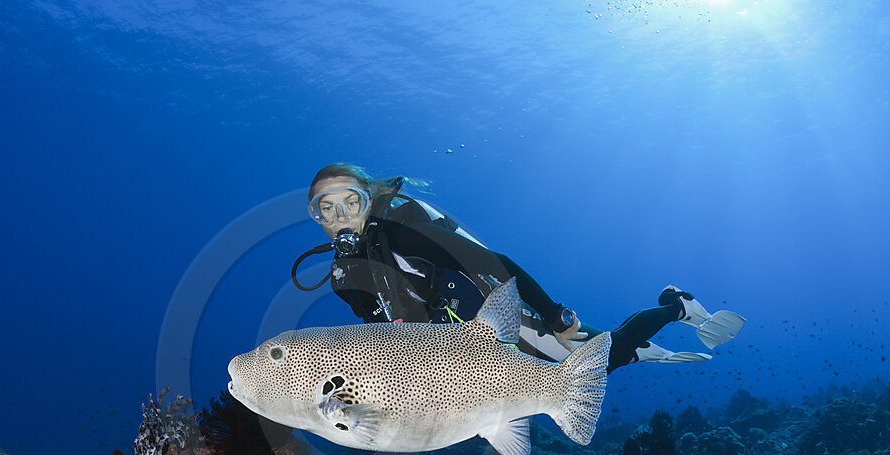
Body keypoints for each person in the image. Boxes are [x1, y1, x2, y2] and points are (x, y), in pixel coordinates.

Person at [292, 163, 744, 373]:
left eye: (350, 202)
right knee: (590, 364)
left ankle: (673, 305)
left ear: (368, 199)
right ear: (314, 216)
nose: (339, 218)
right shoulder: (344, 277)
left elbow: (496, 264)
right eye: (324, 210)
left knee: (600, 360)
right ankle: (633, 348)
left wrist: (554, 316)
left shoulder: (405, 235)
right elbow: (381, 330)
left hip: (509, 317)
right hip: (470, 345)